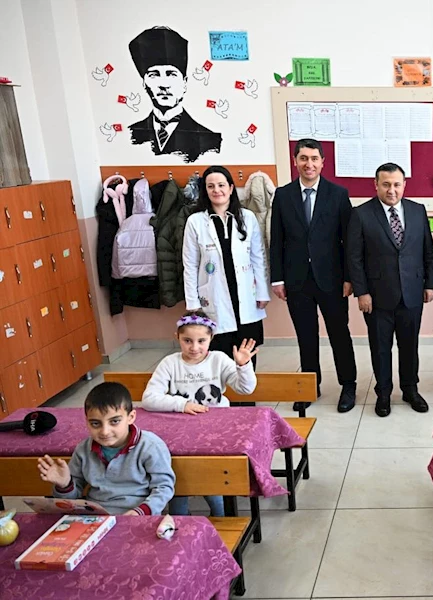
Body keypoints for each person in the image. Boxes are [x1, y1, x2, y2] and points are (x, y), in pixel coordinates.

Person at [270, 139, 358, 413]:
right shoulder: (283, 195)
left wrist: (349, 278)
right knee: (305, 336)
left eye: (314, 159)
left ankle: (348, 385)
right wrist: (277, 279)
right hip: (297, 279)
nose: (309, 164)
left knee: (339, 334)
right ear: (295, 161)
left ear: (322, 163)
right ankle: (310, 386)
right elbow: (277, 240)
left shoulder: (338, 194)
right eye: (304, 158)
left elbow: (349, 240)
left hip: (332, 279)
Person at [142, 310, 258, 516]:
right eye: (187, 340)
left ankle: (220, 514)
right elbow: (149, 398)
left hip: (216, 430)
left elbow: (245, 389)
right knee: (177, 468)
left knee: (209, 472)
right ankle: (179, 518)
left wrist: (243, 365)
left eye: (201, 341)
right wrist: (182, 404)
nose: (194, 347)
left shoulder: (219, 359)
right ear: (177, 337)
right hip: (181, 431)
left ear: (211, 338)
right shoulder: (170, 363)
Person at [346, 163, 433, 417]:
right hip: (376, 297)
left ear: (404, 185)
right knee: (380, 348)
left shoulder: (418, 211)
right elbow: (354, 257)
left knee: (410, 346)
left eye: (397, 184)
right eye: (386, 184)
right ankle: (383, 393)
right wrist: (362, 292)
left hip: (412, 293)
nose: (392, 190)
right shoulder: (361, 214)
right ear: (376, 185)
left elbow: (428, 251)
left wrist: (430, 283)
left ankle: (410, 389)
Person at [37, 382, 174, 516]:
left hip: (137, 515)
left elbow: (164, 487)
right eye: (95, 423)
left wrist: (142, 511)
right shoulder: (83, 449)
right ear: (87, 421)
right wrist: (65, 484)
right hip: (95, 517)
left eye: (114, 421)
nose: (105, 432)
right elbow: (72, 500)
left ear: (130, 417)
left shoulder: (150, 446)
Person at [183, 166, 268, 373]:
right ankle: (223, 393)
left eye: (221, 185)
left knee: (247, 352)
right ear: (205, 190)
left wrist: (263, 292)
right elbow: (190, 264)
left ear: (230, 188)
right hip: (214, 296)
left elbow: (259, 257)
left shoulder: (247, 217)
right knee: (219, 353)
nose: (217, 190)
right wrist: (193, 302)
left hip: (245, 296)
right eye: (210, 186)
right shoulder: (195, 221)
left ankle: (247, 391)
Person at [127, 26, 221, 162]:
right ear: (144, 83)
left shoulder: (209, 141)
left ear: (184, 83)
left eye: (171, 74)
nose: (164, 84)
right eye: (154, 75)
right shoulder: (132, 134)